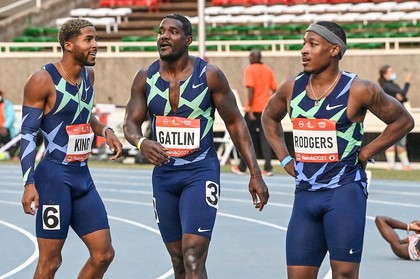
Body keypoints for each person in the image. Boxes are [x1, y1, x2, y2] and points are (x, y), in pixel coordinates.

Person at [261, 21, 414, 279]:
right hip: (306, 194)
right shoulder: (291, 87)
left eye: (312, 44)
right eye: (303, 44)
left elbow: (403, 121)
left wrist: (366, 152)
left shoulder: (359, 89)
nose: (304, 50)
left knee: (343, 274)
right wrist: (285, 157)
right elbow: (268, 118)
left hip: (344, 192)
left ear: (334, 50)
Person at [123, 13, 269, 279]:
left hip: (200, 172)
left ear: (188, 40)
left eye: (172, 32)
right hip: (164, 176)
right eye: (160, 31)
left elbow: (236, 123)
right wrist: (142, 142)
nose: (164, 36)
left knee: (193, 256)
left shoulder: (210, 75)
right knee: (178, 260)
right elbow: (129, 125)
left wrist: (255, 173)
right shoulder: (145, 77)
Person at [20, 18, 122, 278]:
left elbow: (83, 115)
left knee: (104, 254)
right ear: (68, 45)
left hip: (82, 176)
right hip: (54, 178)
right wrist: (28, 183)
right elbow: (28, 133)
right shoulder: (42, 80)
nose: (95, 45)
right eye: (88, 40)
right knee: (50, 262)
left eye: (95, 39)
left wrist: (105, 131)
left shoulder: (89, 75)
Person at [231, 49, 277, 177]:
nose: (249, 58)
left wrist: (250, 107)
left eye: (250, 55)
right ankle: (268, 168)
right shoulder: (268, 70)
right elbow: (275, 89)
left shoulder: (250, 69)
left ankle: (242, 167)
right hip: (265, 110)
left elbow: (251, 88)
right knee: (265, 138)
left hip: (254, 109)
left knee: (245, 138)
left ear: (254, 57)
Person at [378, 65, 412, 171]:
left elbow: (404, 98)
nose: (393, 73)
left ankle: (404, 164)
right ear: (385, 74)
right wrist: (407, 82)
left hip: (400, 116)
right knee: (392, 140)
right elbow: (402, 94)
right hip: (394, 117)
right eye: (391, 71)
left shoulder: (393, 85)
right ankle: (393, 165)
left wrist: (402, 95)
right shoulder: (386, 86)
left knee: (400, 141)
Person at [0, 88, 18, 159]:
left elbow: (10, 118)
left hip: (6, 130)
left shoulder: (7, 104)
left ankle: (9, 153)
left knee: (3, 132)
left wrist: (3, 127)